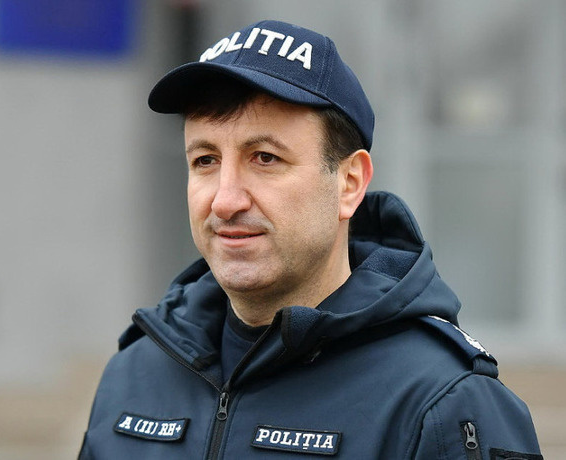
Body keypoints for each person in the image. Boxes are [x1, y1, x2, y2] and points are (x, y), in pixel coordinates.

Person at [78, 20, 543, 459]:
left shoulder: (441, 402)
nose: (225, 200)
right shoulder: (133, 376)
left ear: (349, 183)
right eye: (205, 160)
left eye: (265, 158)